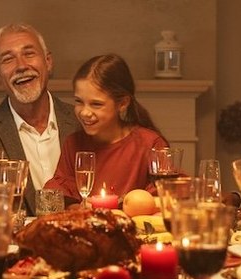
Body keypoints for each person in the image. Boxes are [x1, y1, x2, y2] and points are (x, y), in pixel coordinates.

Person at [0, 23, 82, 213]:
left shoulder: (84, 122)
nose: (21, 66)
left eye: (29, 53)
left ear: (48, 62)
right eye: (8, 59)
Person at [43, 54, 168, 201]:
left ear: (122, 104)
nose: (84, 112)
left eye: (96, 104)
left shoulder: (150, 144)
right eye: (79, 101)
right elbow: (60, 195)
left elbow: (165, 197)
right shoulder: (73, 143)